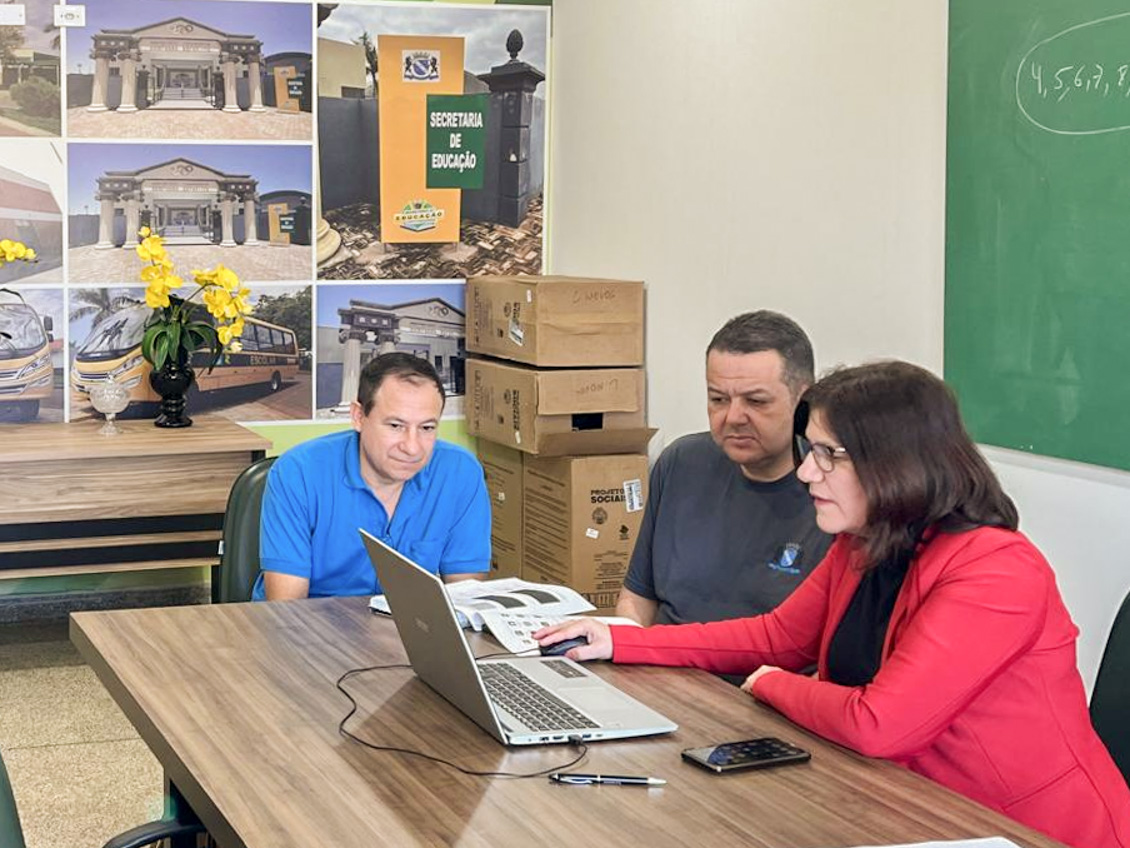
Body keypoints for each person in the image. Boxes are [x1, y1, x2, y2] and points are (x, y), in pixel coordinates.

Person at [538, 361, 1130, 848]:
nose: (805, 471)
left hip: (1021, 829)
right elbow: (777, 636)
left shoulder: (997, 571)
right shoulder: (866, 541)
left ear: (893, 462)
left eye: (828, 454)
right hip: (901, 807)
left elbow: (879, 724)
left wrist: (770, 684)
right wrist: (619, 639)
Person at [616, 311, 831, 627]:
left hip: (756, 674)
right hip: (659, 667)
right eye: (718, 399)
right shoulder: (680, 462)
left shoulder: (834, 492)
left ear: (804, 399)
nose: (733, 417)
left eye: (756, 402)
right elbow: (637, 598)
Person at [253, 352, 490, 600]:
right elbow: (288, 611)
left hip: (406, 630)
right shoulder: (298, 472)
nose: (412, 447)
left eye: (427, 428)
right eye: (395, 426)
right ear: (358, 416)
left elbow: (466, 600)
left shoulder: (460, 472)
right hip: (311, 626)